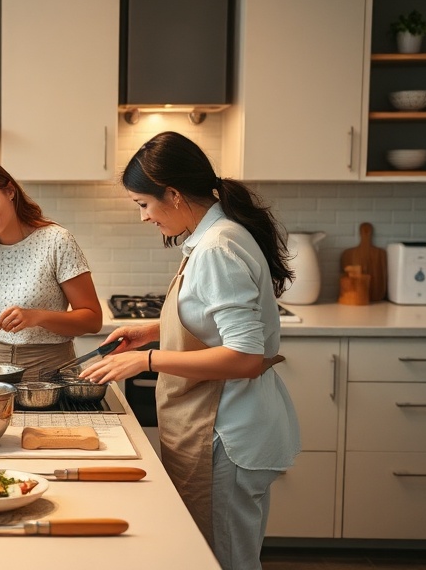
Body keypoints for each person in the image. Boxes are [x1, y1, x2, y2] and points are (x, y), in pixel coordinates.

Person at [79, 131, 300, 570]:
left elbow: (244, 357)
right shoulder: (214, 236)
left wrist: (146, 359)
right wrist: (153, 331)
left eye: (144, 204)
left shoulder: (218, 247)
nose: (144, 217)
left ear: (174, 194)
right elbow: (210, 323)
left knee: (225, 562)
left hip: (226, 435)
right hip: (219, 429)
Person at [0, 157, 102, 380]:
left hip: (50, 372)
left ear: (10, 191)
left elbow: (93, 320)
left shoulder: (56, 241)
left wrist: (37, 317)